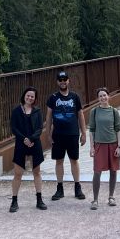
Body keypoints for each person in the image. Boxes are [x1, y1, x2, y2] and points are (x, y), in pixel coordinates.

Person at [45, 71, 87, 201]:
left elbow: (80, 115)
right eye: (60, 80)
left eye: (65, 79)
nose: (62, 82)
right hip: (58, 135)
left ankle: (77, 187)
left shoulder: (75, 97)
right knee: (59, 161)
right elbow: (49, 117)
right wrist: (48, 134)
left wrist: (84, 133)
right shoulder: (53, 97)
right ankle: (59, 188)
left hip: (73, 133)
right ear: (57, 82)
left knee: (74, 160)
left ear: (68, 81)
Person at [8, 87, 47, 212]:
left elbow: (40, 128)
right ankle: (14, 201)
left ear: (35, 99)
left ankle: (39, 199)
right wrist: (24, 139)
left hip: (35, 143)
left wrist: (31, 139)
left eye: (32, 96)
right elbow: (14, 128)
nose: (30, 98)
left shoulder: (37, 111)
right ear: (24, 96)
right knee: (18, 173)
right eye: (28, 95)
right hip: (21, 143)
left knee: (37, 172)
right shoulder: (16, 111)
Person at [88, 87, 120, 210]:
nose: (103, 98)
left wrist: (119, 146)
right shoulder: (94, 112)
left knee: (113, 171)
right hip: (99, 145)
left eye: (104, 95)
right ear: (98, 98)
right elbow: (91, 130)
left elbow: (118, 129)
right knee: (97, 172)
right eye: (100, 96)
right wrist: (91, 147)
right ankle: (95, 199)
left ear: (109, 96)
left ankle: (111, 197)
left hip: (113, 144)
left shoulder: (114, 111)